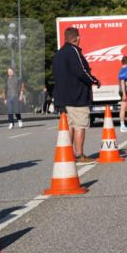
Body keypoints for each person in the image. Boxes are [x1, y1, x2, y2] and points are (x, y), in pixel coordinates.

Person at [52, 26, 101, 163]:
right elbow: (81, 71)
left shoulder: (59, 53)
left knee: (70, 127)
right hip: (77, 96)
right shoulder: (74, 52)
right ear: (77, 38)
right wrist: (94, 80)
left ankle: (68, 155)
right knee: (79, 125)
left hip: (63, 97)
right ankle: (79, 154)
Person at [117, 56, 127, 132]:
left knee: (124, 108)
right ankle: (126, 125)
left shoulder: (120, 70)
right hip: (125, 91)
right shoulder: (125, 69)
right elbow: (123, 82)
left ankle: (123, 125)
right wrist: (124, 94)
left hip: (121, 90)